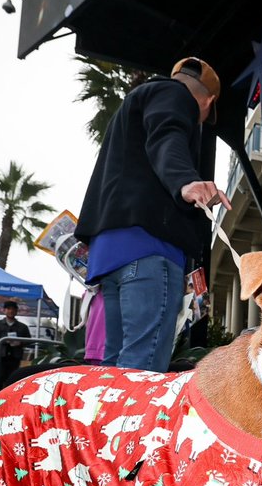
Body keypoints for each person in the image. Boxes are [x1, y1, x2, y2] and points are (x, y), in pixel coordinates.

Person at [74, 56, 232, 372]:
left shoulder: (135, 104)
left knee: (115, 368)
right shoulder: (176, 97)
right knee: (142, 371)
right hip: (150, 250)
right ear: (207, 101)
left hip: (111, 254)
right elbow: (168, 135)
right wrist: (185, 180)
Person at [0, 301, 30, 389]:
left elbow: (28, 340)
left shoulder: (23, 327)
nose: (11, 311)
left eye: (13, 309)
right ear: (4, 310)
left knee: (12, 380)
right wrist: (2, 341)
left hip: (14, 357)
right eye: (8, 309)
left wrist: (20, 342)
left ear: (17, 311)